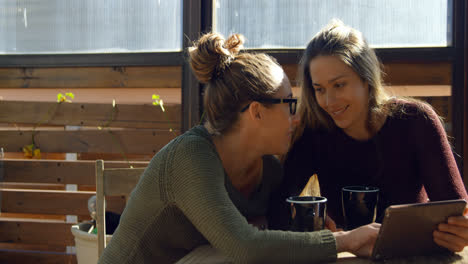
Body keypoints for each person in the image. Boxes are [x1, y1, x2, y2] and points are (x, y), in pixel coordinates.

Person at [98, 32, 380, 264]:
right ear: (256, 112)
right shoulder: (190, 156)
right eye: (288, 104)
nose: (296, 117)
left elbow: (274, 236)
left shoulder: (267, 169)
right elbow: (245, 246)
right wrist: (347, 240)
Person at [283, 19, 468, 252]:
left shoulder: (416, 121)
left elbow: (455, 209)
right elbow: (280, 204)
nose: (329, 102)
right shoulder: (315, 131)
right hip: (347, 257)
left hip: (412, 255)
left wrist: (460, 231)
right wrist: (315, 227)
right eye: (319, 89)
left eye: (339, 85)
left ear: (367, 80)